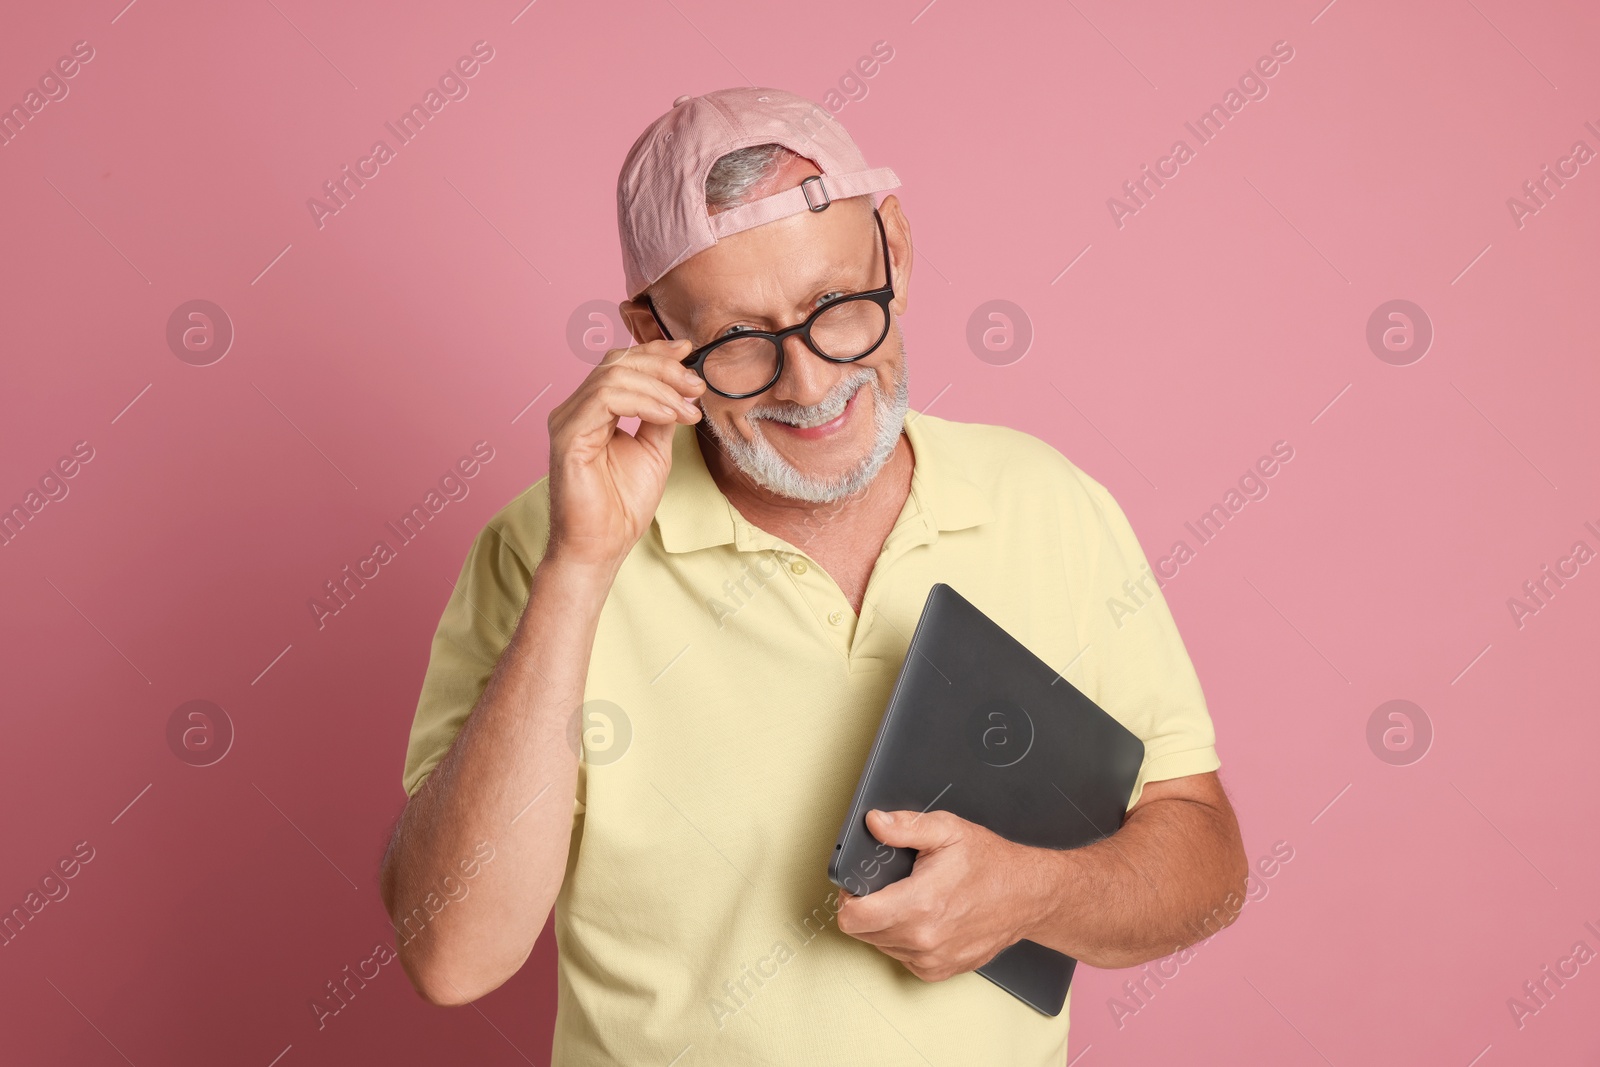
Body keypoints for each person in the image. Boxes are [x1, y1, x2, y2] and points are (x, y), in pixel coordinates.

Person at [379, 86, 1247, 1065]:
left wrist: (1035, 892)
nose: (808, 383)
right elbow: (452, 956)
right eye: (738, 340)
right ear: (651, 330)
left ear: (897, 254)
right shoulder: (541, 548)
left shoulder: (1048, 503)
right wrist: (580, 568)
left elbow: (1205, 861)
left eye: (835, 307)